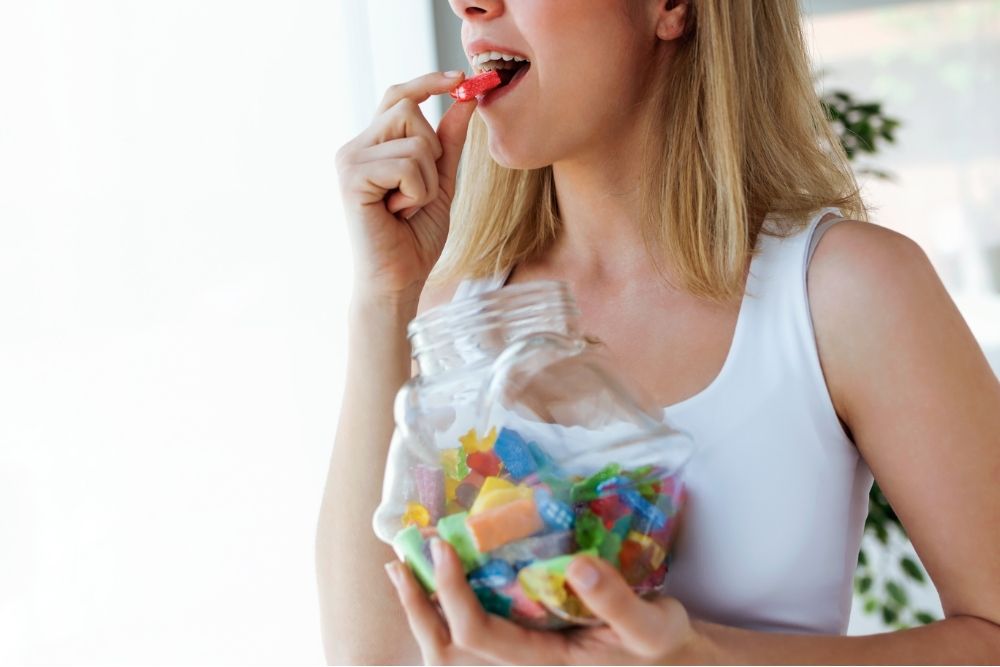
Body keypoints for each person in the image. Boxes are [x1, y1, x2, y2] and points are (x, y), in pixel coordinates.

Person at [317, 0, 1000, 663]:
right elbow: (376, 656)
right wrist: (387, 296)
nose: (468, 4)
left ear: (671, 6)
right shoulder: (451, 312)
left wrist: (703, 657)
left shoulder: (844, 290)